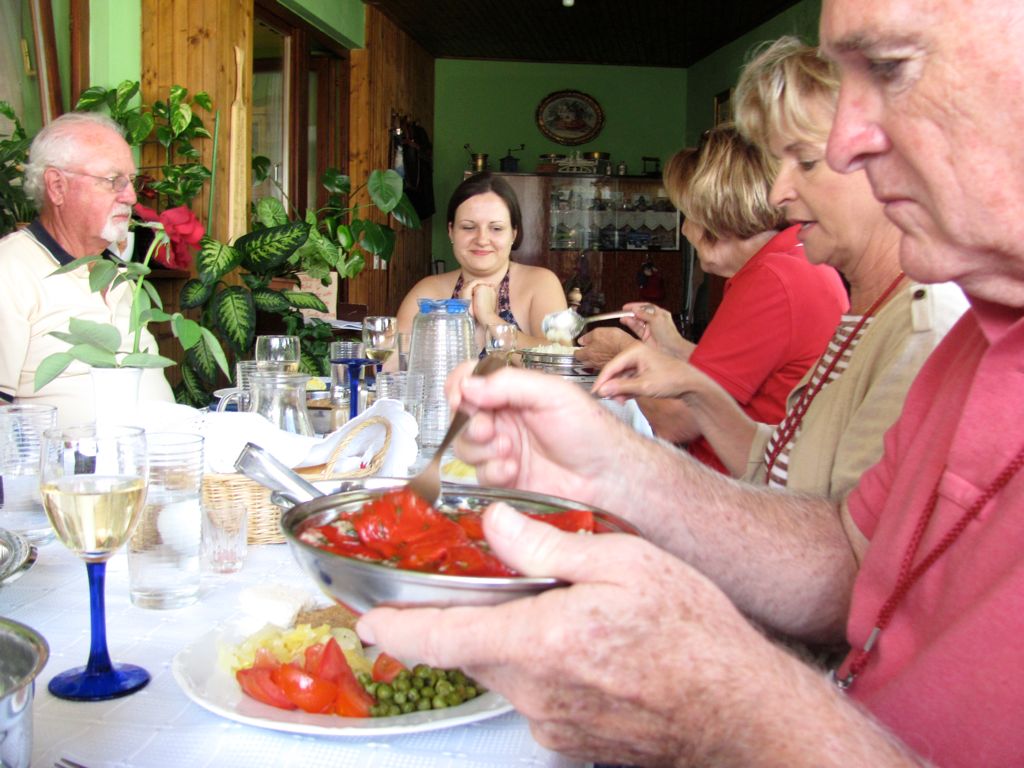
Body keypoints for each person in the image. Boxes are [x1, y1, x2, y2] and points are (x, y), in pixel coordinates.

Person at [356, 0, 1024, 763]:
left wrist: (722, 701)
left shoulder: (927, 312)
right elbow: (852, 557)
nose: (840, 149)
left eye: (893, 68)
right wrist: (627, 468)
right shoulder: (977, 330)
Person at [593, 37, 966, 501]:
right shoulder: (869, 305)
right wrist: (691, 383)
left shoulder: (921, 323)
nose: (776, 194)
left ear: (893, 163)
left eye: (805, 161)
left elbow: (839, 544)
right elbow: (781, 464)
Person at [577, 126, 850, 472]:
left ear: (717, 215)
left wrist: (623, 355)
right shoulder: (787, 261)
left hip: (739, 491)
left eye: (688, 214)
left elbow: (675, 422)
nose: (685, 230)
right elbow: (742, 378)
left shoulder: (774, 280)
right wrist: (673, 346)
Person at [0, 112, 173, 425]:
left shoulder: (120, 276)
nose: (131, 196)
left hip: (165, 465)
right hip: (67, 471)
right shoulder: (10, 270)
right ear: (57, 187)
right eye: (112, 181)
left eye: (131, 181)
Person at [396, 172, 566, 353]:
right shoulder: (428, 291)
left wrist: (488, 317)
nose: (482, 239)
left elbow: (558, 360)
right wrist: (459, 318)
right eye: (468, 227)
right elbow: (391, 364)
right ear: (451, 231)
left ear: (513, 234)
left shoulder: (540, 283)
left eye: (496, 228)